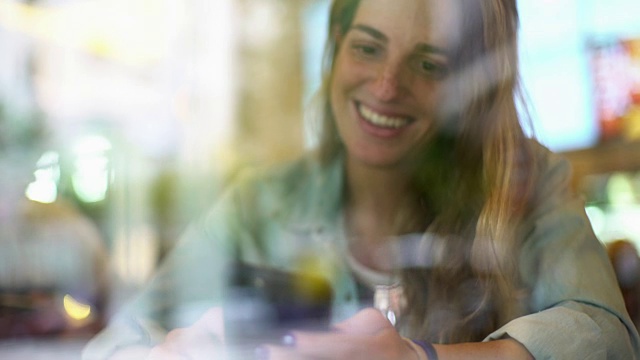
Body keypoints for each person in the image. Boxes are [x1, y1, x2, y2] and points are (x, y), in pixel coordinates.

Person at [83, 0, 640, 359]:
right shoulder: (258, 201)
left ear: (468, 93)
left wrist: (419, 358)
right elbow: (113, 344)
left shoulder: (529, 180)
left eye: (428, 65)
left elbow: (607, 335)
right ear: (333, 53)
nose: (386, 86)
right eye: (367, 48)